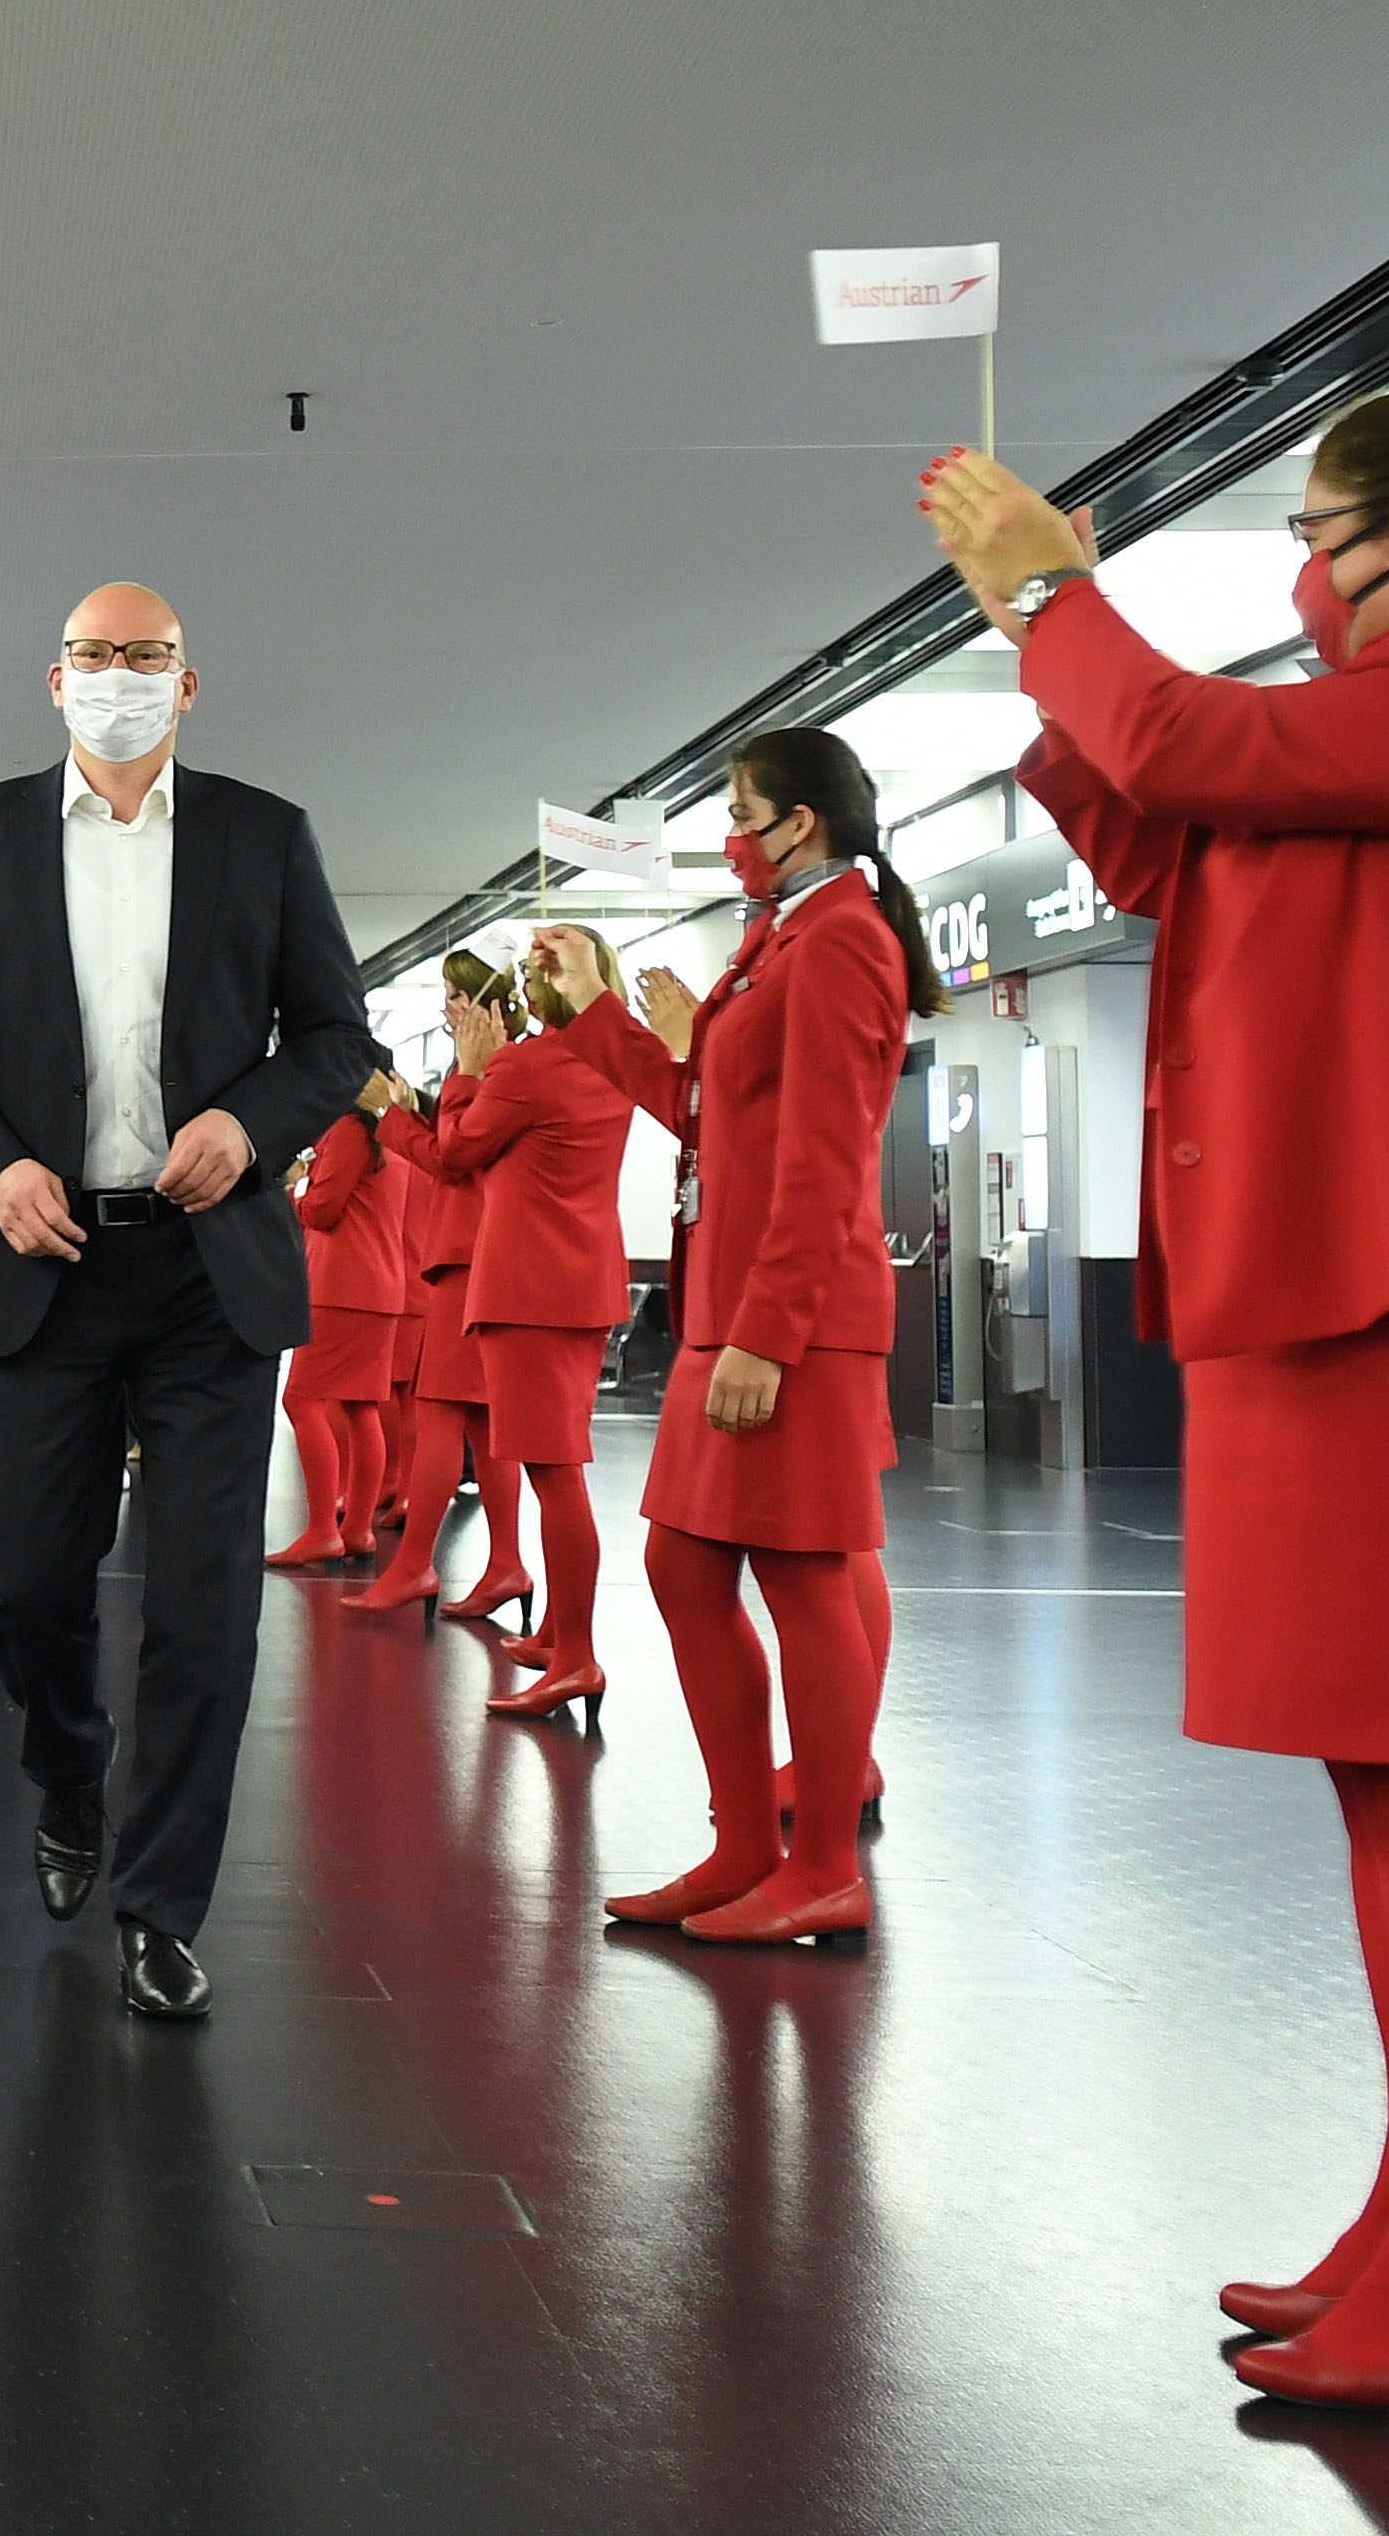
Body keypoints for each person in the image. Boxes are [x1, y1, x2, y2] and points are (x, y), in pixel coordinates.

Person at [923, 396, 1389, 2411]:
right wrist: (1046, 656)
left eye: (1309, 528)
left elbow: (1193, 747)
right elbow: (1165, 823)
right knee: (1382, 1773)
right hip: (1357, 1284)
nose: (1291, 572)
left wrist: (1050, 594)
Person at [0, 580, 367, 2018]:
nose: (116, 678)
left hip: (204, 1268)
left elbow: (333, 1031)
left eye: (141, 657)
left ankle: (160, 1905)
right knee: (23, 1578)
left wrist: (253, 1122)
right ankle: (67, 1761)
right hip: (38, 1260)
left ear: (186, 683)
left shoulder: (261, 837)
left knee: (204, 1605)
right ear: (51, 680)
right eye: (92, 656)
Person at [538, 725, 921, 1954]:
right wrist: (599, 1017)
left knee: (802, 1578)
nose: (729, 836)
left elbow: (824, 1158)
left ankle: (818, 1864)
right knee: (685, 1571)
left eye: (742, 813)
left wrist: (764, 1332)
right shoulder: (776, 943)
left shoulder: (841, 943)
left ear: (796, 822)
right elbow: (706, 1119)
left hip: (784, 1319)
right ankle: (748, 1841)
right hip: (731, 1308)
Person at [435, 931, 635, 1718]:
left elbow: (455, 1151)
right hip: (584, 1285)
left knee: (555, 1476)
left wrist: (467, 1070)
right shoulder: (611, 1061)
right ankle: (559, 1627)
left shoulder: (524, 1067)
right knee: (562, 1469)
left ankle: (577, 1656)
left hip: (525, 1291)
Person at [361, 956, 517, 1615]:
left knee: (442, 1417)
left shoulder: (493, 1072)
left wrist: (391, 1118)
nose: (447, 1009)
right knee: (484, 1426)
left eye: (456, 996)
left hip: (467, 1259)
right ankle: (503, 1561)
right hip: (471, 1257)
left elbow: (453, 1155)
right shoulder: (482, 1072)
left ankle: (417, 1564)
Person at [267, 1068, 414, 1568]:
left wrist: (295, 1190)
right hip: (381, 1287)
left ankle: (321, 1529)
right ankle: (355, 1530)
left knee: (301, 1400)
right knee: (361, 1407)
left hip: (341, 1286)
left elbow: (323, 1209)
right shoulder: (391, 1137)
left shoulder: (348, 1133)